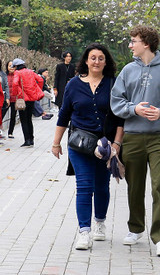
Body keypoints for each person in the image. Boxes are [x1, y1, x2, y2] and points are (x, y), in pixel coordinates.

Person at [110, 25, 160, 258]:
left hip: (159, 137)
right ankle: (135, 228)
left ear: (146, 43)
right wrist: (133, 109)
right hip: (132, 137)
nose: (130, 45)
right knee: (134, 186)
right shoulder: (127, 70)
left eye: (134, 41)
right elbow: (116, 101)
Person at [51, 43, 125, 250]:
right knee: (84, 186)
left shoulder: (113, 84)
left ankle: (100, 222)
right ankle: (84, 231)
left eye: (101, 58)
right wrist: (56, 143)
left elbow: (120, 117)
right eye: (93, 58)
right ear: (86, 60)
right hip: (80, 144)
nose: (96, 62)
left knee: (101, 186)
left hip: (105, 145)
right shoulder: (74, 84)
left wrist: (117, 143)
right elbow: (64, 114)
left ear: (106, 62)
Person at [12, 58, 44, 147]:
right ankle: (32, 139)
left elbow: (15, 83)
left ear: (16, 66)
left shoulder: (17, 73)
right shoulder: (30, 72)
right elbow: (40, 80)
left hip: (22, 99)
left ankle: (27, 140)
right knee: (29, 119)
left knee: (24, 120)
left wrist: (15, 93)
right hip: (32, 98)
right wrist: (37, 89)